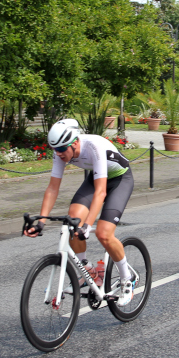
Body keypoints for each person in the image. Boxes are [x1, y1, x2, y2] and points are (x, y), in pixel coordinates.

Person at [23, 119, 135, 306]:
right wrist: (41, 221)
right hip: (97, 178)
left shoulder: (94, 146)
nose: (58, 154)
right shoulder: (60, 151)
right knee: (72, 222)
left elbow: (101, 192)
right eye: (55, 150)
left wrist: (88, 225)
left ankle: (127, 279)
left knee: (103, 233)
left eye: (61, 150)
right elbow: (52, 188)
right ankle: (90, 272)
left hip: (120, 179)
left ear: (75, 142)